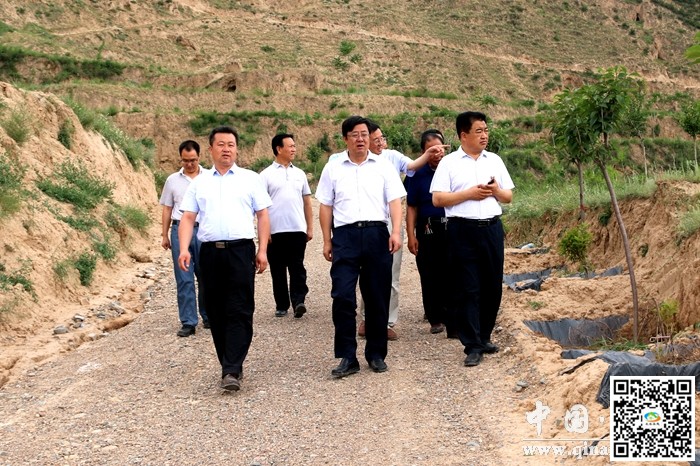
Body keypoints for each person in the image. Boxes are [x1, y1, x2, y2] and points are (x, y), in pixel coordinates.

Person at [178, 126, 272, 391]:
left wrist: (262, 250)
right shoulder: (200, 183)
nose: (226, 149)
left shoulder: (250, 179)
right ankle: (228, 364)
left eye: (231, 144)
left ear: (237, 149)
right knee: (215, 309)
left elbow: (263, 215)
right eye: (221, 144)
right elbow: (188, 217)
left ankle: (231, 368)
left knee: (240, 308)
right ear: (211, 149)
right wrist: (184, 248)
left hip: (241, 251)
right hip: (210, 253)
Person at [316, 115, 406, 378]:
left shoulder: (383, 166)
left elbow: (395, 201)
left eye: (364, 134)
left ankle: (376, 354)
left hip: (377, 234)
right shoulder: (333, 168)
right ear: (345, 139)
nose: (360, 139)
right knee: (342, 295)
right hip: (345, 236)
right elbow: (325, 206)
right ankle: (347, 356)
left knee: (377, 295)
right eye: (355, 135)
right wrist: (326, 239)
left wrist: (396, 232)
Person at [430, 111, 514, 367]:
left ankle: (484, 336)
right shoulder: (449, 163)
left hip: (491, 229)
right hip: (462, 230)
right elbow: (438, 199)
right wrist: (468, 194)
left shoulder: (494, 160)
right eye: (479, 131)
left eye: (486, 130)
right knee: (468, 288)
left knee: (491, 286)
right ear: (463, 135)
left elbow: (508, 196)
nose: (484, 135)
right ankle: (472, 345)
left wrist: (495, 190)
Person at [356, 121, 448, 340]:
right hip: (365, 224)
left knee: (391, 274)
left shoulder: (392, 157)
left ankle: (387, 321)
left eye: (382, 138)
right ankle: (367, 319)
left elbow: (412, 165)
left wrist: (429, 154)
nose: (380, 143)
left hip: (390, 223)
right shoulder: (351, 162)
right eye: (375, 139)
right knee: (368, 272)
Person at [405, 129, 455, 336]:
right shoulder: (416, 174)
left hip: (452, 226)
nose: (437, 153)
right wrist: (410, 235)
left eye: (439, 148)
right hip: (427, 228)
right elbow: (412, 206)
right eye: (431, 150)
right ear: (423, 152)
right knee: (429, 272)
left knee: (452, 271)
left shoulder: (453, 168)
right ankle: (435, 317)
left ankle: (452, 316)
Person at [159, 140, 209, 337]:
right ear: (180, 159)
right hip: (180, 230)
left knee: (206, 275)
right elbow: (167, 208)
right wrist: (164, 234)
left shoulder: (209, 178)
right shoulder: (172, 180)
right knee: (184, 277)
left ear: (199, 157)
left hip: (204, 230)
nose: (189, 164)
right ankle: (188, 321)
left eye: (193, 160)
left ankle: (208, 315)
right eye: (185, 160)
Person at [260, 133, 313, 319]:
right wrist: (264, 232)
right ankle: (281, 304)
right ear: (278, 149)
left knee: (297, 267)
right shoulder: (265, 175)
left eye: (294, 146)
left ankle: (299, 301)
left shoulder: (299, 174)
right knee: (278, 269)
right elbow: (260, 207)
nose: (294, 149)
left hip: (297, 229)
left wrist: (309, 227)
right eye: (290, 146)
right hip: (274, 230)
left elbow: (307, 202)